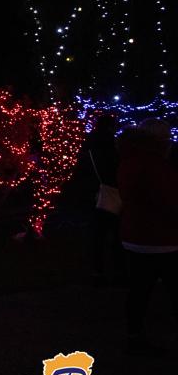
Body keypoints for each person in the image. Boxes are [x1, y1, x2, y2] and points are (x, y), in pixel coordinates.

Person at [116, 119, 178, 354]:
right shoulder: (156, 166)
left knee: (139, 289)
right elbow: (167, 201)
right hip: (161, 238)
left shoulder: (128, 161)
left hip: (135, 233)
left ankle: (134, 334)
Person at [84, 113, 121, 286]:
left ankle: (97, 271)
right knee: (116, 233)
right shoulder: (111, 145)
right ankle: (118, 271)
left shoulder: (90, 144)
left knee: (97, 235)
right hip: (110, 192)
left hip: (94, 192)